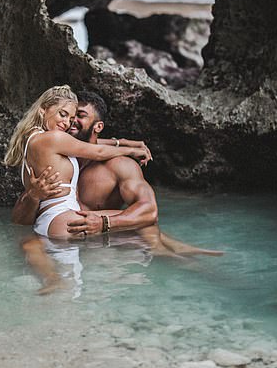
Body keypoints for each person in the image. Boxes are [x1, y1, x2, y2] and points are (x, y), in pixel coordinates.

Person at [12, 90, 222, 257]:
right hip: (65, 242)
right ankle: (168, 251)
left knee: (143, 224)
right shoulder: (58, 158)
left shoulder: (118, 166)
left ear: (98, 126)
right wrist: (33, 196)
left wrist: (104, 224)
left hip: (91, 251)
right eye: (65, 115)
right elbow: (19, 222)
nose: (70, 122)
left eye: (79, 116)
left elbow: (149, 212)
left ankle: (172, 250)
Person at [4, 85, 151, 239]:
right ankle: (169, 254)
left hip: (45, 221)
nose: (67, 123)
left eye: (71, 119)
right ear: (43, 109)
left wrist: (122, 142)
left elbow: (86, 145)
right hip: (63, 219)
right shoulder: (54, 137)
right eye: (63, 114)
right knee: (141, 221)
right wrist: (132, 151)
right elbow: (97, 151)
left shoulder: (32, 140)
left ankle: (171, 251)